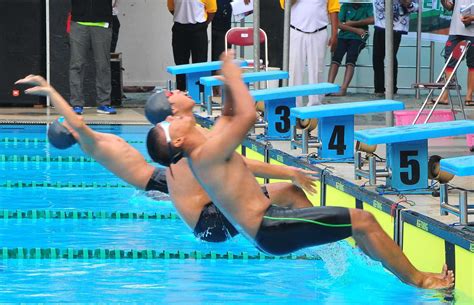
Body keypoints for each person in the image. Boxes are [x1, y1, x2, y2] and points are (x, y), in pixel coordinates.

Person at [146, 51, 454, 289]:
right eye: (170, 124)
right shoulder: (205, 154)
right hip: (269, 225)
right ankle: (420, 281)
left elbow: (228, 115)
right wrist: (234, 77)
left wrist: (228, 79)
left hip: (269, 225)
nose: (174, 118)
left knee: (360, 223)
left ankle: (390, 266)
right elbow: (245, 119)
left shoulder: (205, 147)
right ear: (180, 140)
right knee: (364, 220)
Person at [15, 74, 316, 242]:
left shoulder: (171, 138)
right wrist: (52, 92)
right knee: (282, 189)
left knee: (245, 181)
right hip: (202, 216)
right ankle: (321, 245)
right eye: (66, 123)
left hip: (175, 193)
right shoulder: (93, 144)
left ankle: (315, 239)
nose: (72, 121)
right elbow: (240, 163)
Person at [281, 0, 340, 106]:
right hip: (296, 31)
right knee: (294, 70)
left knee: (317, 70)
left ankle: (315, 104)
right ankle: (294, 105)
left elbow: (333, 9)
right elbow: (285, 5)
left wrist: (335, 34)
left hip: (319, 31)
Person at [69, 0, 117, 115]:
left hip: (102, 22)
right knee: (76, 65)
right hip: (78, 22)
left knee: (103, 65)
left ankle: (104, 103)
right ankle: (76, 104)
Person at [168, 0, 217, 91]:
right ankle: (181, 92)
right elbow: (171, 8)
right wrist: (183, 17)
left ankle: (199, 94)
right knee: (180, 63)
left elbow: (212, 11)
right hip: (180, 29)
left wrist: (203, 25)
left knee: (200, 63)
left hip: (198, 28)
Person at [372, 0, 417, 97]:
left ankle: (391, 88)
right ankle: (379, 89)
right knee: (377, 57)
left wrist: (407, 4)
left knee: (391, 56)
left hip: (397, 26)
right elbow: (378, 5)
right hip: (381, 24)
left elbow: (416, 7)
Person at [327, 2, 374, 96]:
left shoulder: (367, 5)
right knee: (336, 59)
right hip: (345, 35)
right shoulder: (345, 5)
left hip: (359, 37)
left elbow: (373, 20)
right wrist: (356, 29)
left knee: (350, 60)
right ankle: (328, 87)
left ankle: (343, 89)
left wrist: (353, 23)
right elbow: (337, 23)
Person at [437, 0, 474, 106]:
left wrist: (472, 17)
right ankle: (444, 96)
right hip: (455, 30)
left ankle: (469, 96)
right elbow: (450, 7)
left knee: (472, 64)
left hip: (472, 31)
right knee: (450, 61)